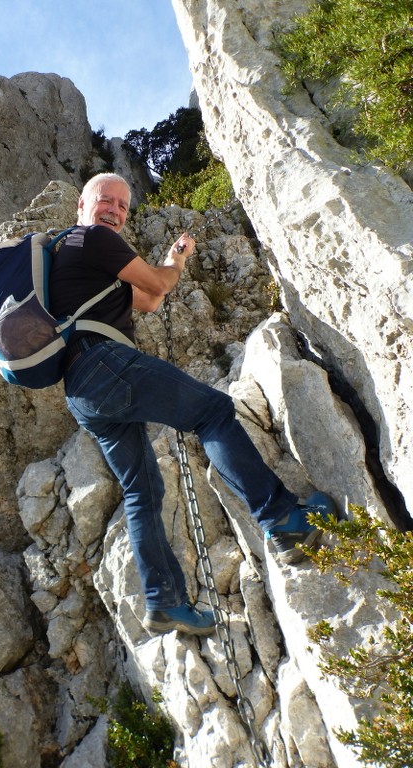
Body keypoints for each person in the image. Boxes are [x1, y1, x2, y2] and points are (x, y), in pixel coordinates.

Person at [50, 172, 336, 637]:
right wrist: (170, 268)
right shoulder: (93, 239)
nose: (115, 212)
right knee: (213, 413)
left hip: (82, 393)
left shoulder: (79, 264)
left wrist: (172, 261)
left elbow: (149, 300)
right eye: (107, 200)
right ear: (82, 205)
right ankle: (282, 520)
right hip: (104, 364)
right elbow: (159, 285)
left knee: (142, 491)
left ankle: (164, 603)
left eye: (123, 206)